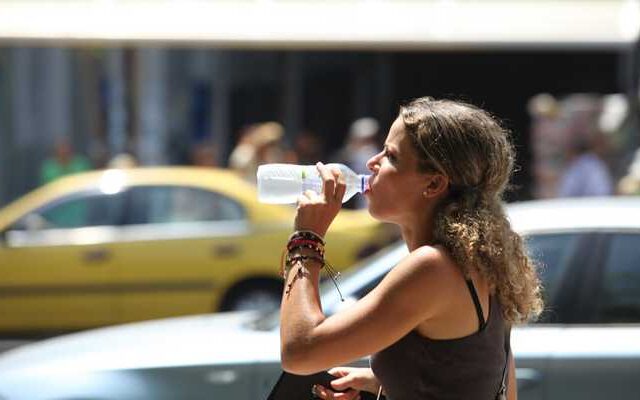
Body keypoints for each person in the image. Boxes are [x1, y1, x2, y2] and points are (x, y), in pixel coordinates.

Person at [279, 97, 543, 400]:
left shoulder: (432, 268)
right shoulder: (478, 261)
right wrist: (384, 384)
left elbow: (299, 352)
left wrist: (307, 237)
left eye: (391, 156)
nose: (371, 163)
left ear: (433, 185)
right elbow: (485, 383)